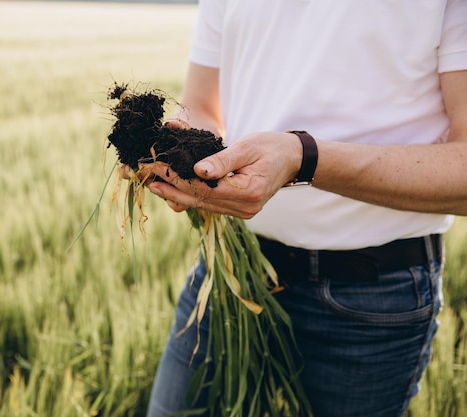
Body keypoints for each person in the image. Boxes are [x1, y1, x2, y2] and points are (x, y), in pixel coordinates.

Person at [136, 1, 467, 417]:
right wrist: (192, 161)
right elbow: (201, 107)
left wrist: (303, 157)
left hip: (369, 301)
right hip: (232, 272)